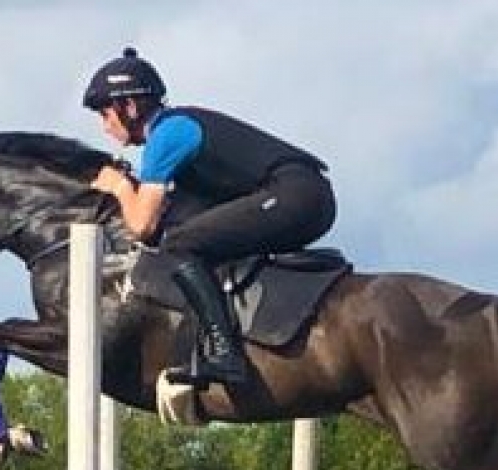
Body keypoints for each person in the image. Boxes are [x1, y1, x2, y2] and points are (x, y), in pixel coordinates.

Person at [84, 47, 336, 388]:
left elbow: (142, 225)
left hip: (295, 195)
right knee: (192, 236)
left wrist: (119, 187)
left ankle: (224, 353)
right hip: (303, 195)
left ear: (129, 107)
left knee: (181, 245)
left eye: (105, 114)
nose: (105, 127)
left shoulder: (167, 135)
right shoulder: (174, 132)